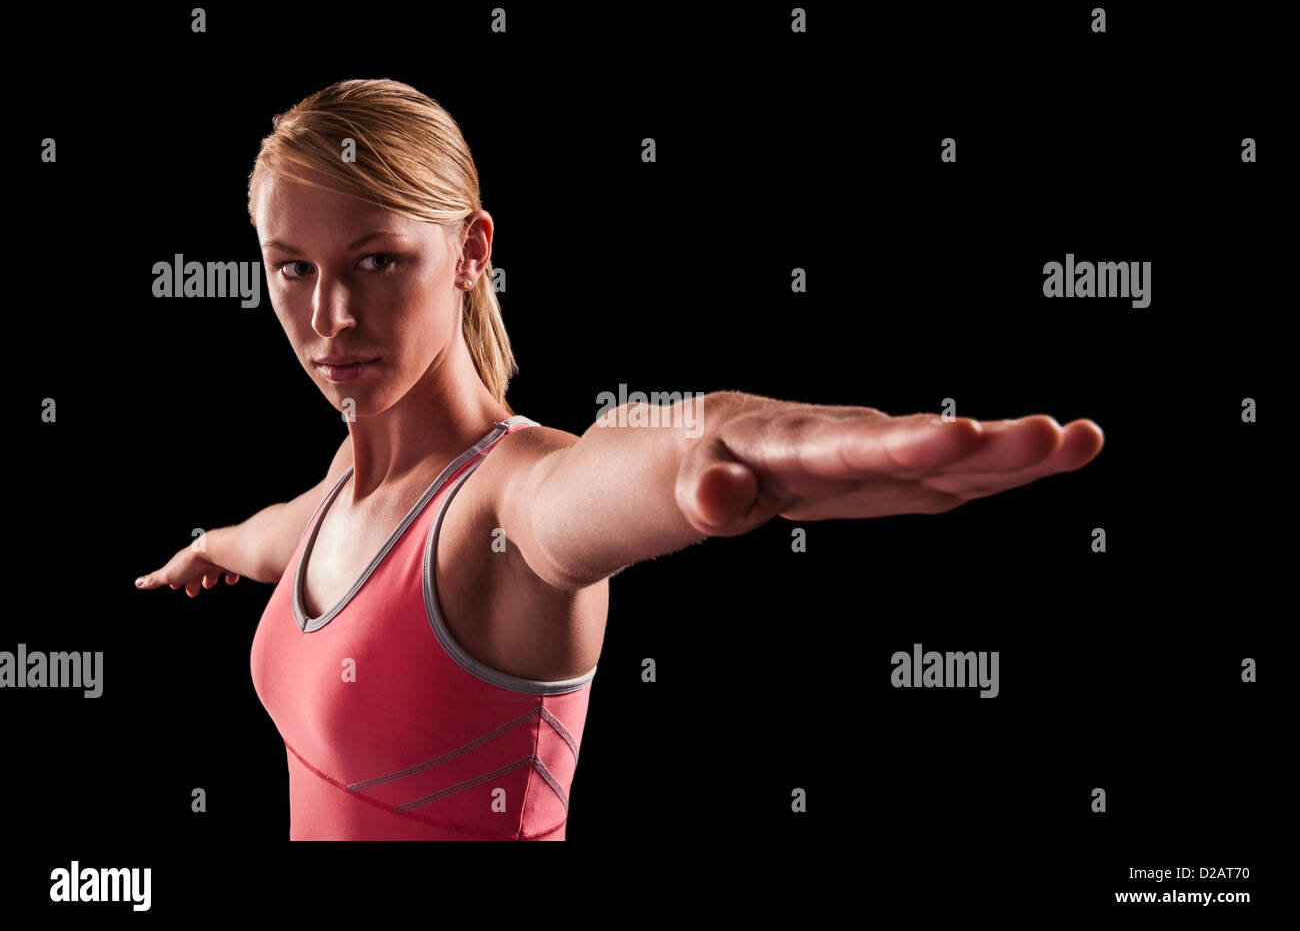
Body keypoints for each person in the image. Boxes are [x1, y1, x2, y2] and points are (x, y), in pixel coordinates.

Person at [134, 79, 1104, 840]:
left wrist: (721, 445)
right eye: (292, 268)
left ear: (472, 251)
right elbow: (276, 535)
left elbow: (591, 479)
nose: (328, 318)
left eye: (376, 260)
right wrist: (206, 549)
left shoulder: (505, 505)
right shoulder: (346, 491)